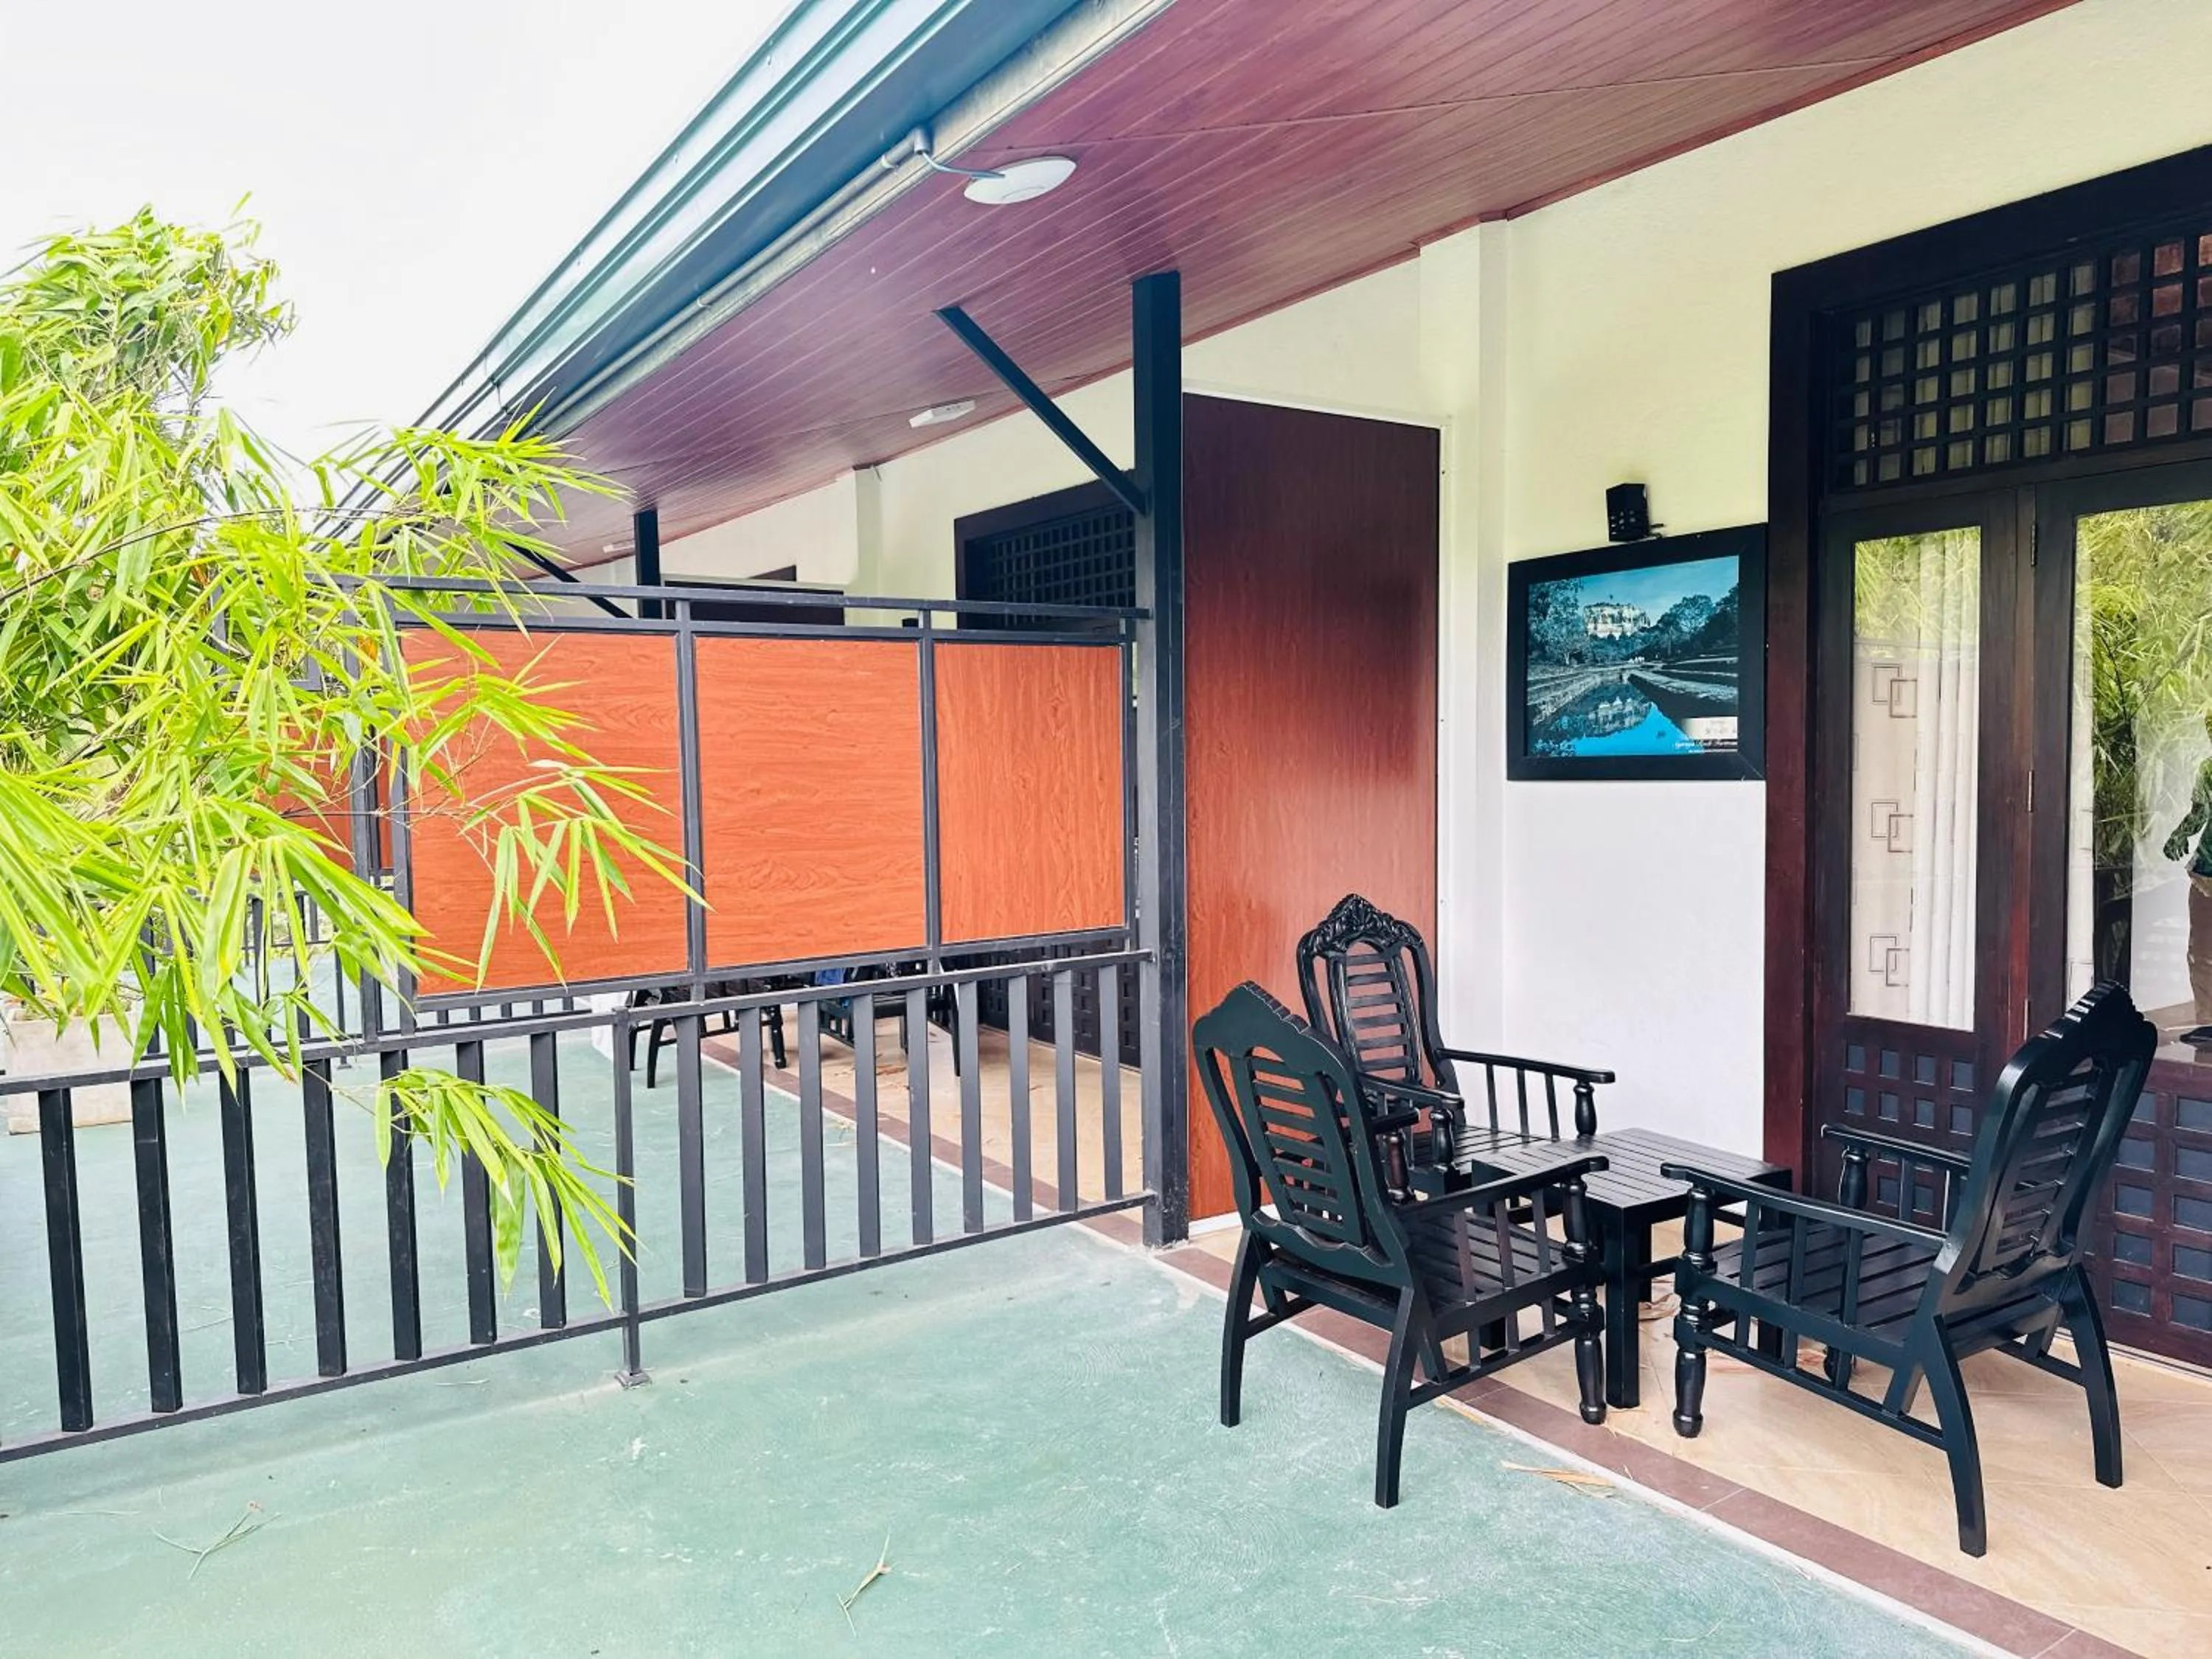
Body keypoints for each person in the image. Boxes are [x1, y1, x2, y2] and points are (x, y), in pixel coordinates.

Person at [2162, 711, 2212, 1046]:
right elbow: (2200, 810)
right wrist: (2180, 834)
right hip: (2207, 870)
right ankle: (2208, 1019)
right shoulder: (2209, 768)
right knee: (2202, 950)